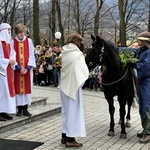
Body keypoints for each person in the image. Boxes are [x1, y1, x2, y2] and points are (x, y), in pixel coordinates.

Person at [60, 33, 89, 147]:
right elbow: (83, 70)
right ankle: (70, 139)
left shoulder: (65, 51)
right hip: (73, 85)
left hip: (64, 85)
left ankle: (64, 135)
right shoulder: (77, 54)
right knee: (73, 112)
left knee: (66, 112)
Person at [11, 24, 36, 117]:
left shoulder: (29, 41)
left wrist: (27, 68)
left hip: (27, 70)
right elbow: (11, 55)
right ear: (17, 33)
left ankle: (25, 109)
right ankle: (19, 109)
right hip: (17, 70)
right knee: (17, 89)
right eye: (20, 32)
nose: (22, 34)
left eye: (23, 32)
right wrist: (18, 68)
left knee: (27, 89)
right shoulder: (12, 42)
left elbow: (31, 55)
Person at [135, 31, 150, 143]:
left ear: (143, 41)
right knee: (142, 106)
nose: (137, 41)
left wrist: (135, 65)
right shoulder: (141, 50)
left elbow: (145, 67)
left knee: (146, 106)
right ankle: (145, 129)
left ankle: (148, 133)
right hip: (142, 82)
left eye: (138, 39)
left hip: (147, 82)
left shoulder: (149, 52)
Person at [0, 23, 16, 121]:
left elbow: (13, 54)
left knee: (7, 92)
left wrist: (12, 60)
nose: (9, 32)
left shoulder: (8, 43)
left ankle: (5, 111)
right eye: (8, 30)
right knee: (2, 92)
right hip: (1, 72)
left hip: (8, 70)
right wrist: (7, 61)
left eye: (10, 30)